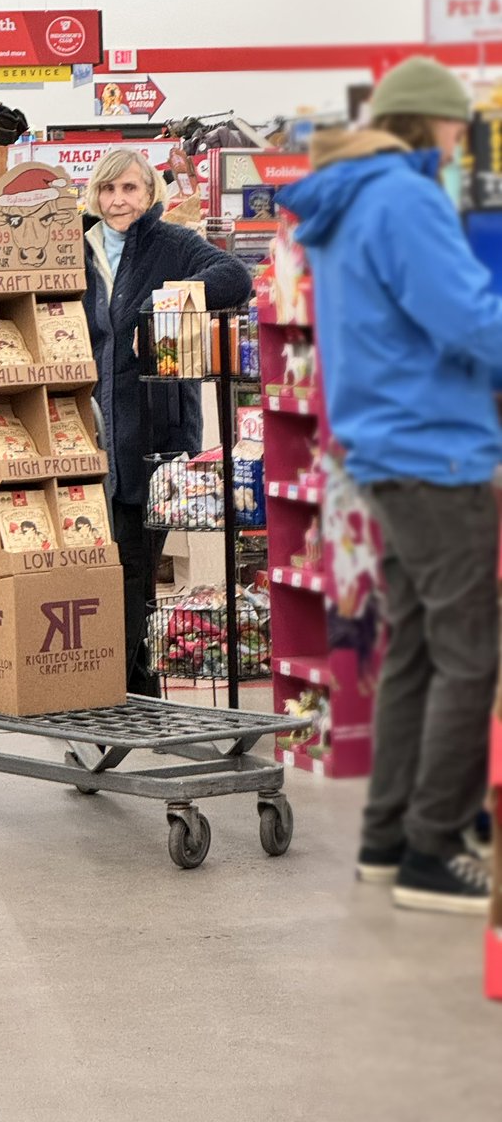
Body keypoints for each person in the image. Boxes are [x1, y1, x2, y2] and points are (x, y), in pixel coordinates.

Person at [277, 57, 502, 915]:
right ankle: (433, 850)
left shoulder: (352, 196)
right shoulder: (405, 197)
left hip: (386, 445)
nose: (459, 141)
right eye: (455, 126)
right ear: (429, 123)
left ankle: (388, 836)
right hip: (435, 449)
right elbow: (467, 318)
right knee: (469, 651)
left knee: (414, 648)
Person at [83, 149, 252, 694]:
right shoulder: (78, 248)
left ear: (150, 193)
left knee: (133, 568)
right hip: (90, 436)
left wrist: (168, 304)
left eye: (130, 189)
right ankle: (138, 696)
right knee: (112, 571)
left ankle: (111, 696)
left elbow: (235, 276)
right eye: (109, 189)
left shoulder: (171, 244)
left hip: (153, 436)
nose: (118, 201)